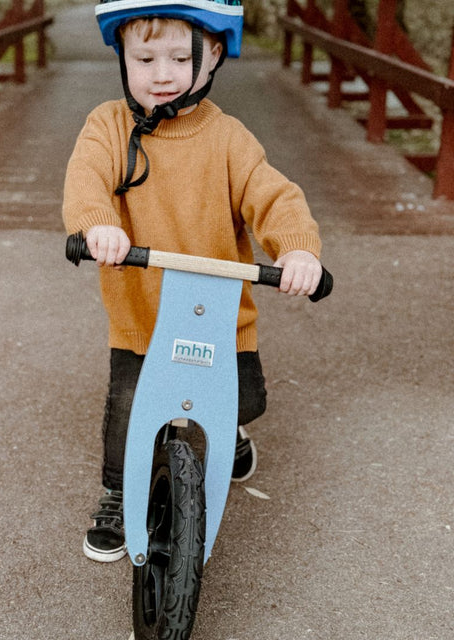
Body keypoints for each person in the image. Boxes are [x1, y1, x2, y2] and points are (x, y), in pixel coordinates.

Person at [62, 0, 323, 563]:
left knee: (242, 398)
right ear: (122, 59)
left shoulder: (229, 139)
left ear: (213, 59)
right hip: (141, 311)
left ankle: (227, 431)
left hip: (219, 311)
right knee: (129, 411)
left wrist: (298, 250)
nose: (161, 73)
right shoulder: (109, 126)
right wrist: (98, 223)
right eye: (145, 57)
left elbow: (274, 198)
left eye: (181, 57)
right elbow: (86, 179)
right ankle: (117, 492)